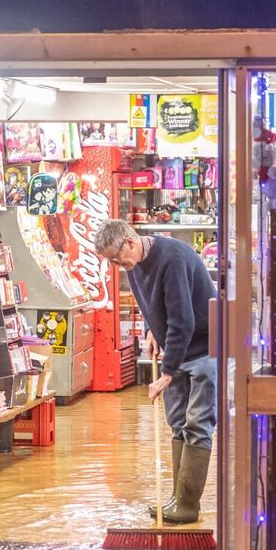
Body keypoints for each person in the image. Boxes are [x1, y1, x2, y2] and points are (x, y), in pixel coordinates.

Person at [94, 219, 216, 525]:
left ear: (130, 243)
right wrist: (151, 330)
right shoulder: (134, 265)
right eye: (111, 262)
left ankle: (187, 505)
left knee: (197, 423)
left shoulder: (172, 258)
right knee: (178, 424)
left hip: (204, 348)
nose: (117, 266)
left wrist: (167, 371)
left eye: (116, 259)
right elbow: (151, 304)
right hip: (176, 348)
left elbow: (183, 320)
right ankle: (178, 498)